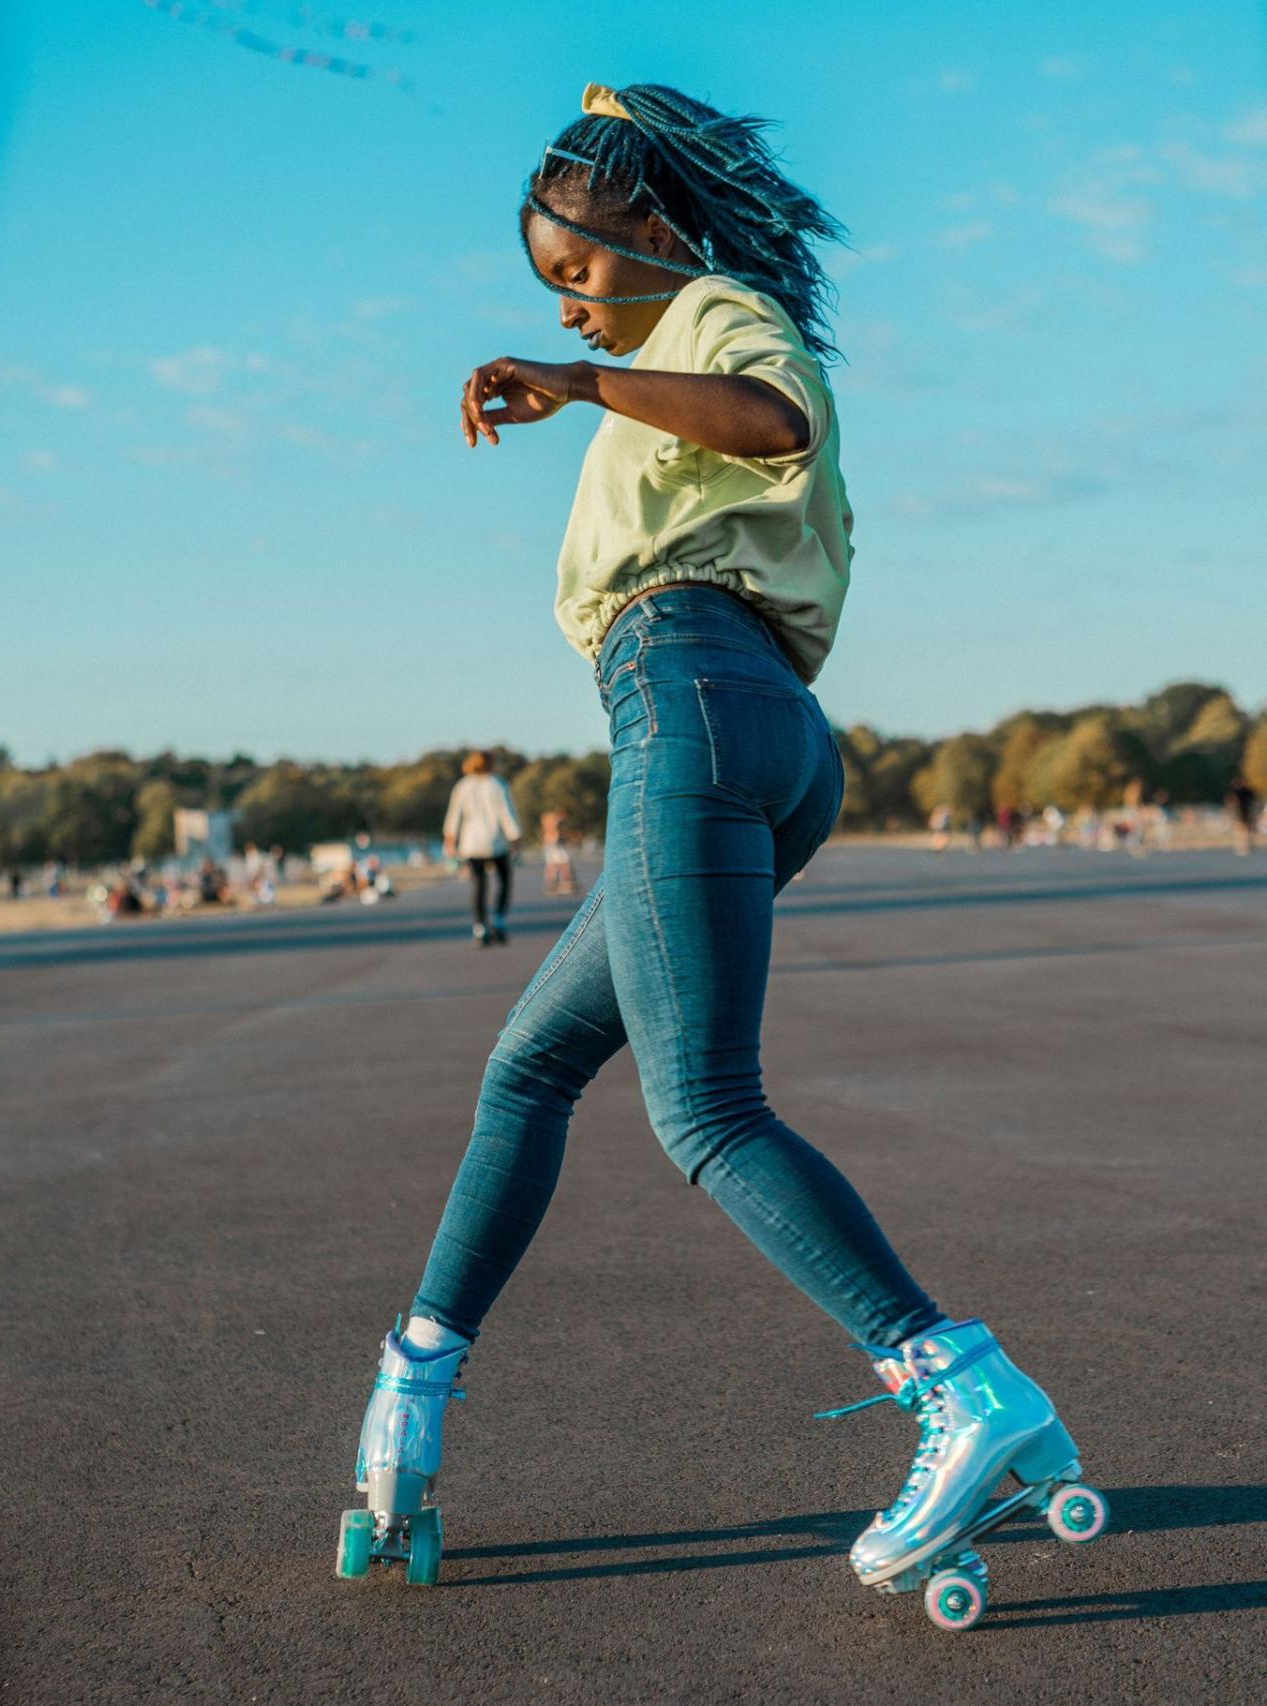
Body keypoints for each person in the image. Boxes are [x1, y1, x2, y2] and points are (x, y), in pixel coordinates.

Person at [337, 82, 1107, 1623]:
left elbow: (775, 419)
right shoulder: (670, 346)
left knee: (706, 1108)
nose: (576, 309)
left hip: (693, 696)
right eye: (556, 293)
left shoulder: (715, 313)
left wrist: (581, 376)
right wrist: (590, 376)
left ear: (652, 228)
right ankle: (412, 1386)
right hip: (747, 721)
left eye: (579, 272)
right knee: (531, 1065)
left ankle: (958, 1383)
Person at [442, 752, 522, 944]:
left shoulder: (462, 786)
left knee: (478, 886)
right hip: (497, 843)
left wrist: (450, 840)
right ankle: (499, 920)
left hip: (471, 844)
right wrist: (515, 837)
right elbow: (507, 813)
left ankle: (479, 927)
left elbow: (454, 816)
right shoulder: (498, 784)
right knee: (504, 882)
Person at [540, 808, 579, 895]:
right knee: (561, 864)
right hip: (554, 845)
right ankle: (562, 883)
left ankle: (555, 884)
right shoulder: (554, 820)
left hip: (553, 845)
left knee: (556, 865)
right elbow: (553, 831)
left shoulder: (550, 819)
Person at [1225, 774, 1258, 856]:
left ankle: (1243, 846)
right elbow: (1255, 801)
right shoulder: (1248, 791)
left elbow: (1230, 802)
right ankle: (1245, 845)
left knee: (1241, 831)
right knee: (1246, 830)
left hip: (1241, 813)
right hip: (1244, 813)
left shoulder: (1237, 792)